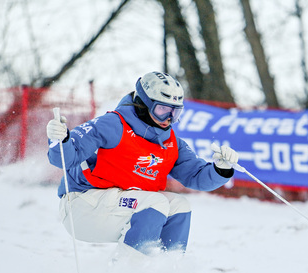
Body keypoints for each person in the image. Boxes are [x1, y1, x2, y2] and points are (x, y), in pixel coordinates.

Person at [46, 71, 239, 255]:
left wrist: (221, 169)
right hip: (83, 204)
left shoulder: (171, 143)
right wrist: (59, 140)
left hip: (121, 205)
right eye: (163, 109)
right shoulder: (114, 124)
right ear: (144, 104)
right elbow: (65, 158)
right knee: (155, 202)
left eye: (176, 112)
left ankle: (165, 271)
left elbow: (196, 176)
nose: (169, 118)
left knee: (180, 205)